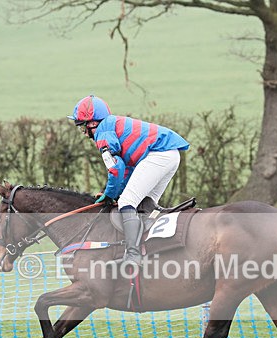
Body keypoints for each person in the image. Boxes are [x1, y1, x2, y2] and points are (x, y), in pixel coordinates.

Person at [68, 94, 190, 267]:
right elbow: (126, 170)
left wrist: (109, 194)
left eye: (82, 128)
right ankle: (149, 249)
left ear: (92, 123)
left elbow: (115, 169)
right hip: (170, 155)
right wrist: (109, 191)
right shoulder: (112, 125)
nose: (84, 134)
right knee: (145, 203)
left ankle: (133, 255)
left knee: (126, 202)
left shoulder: (103, 133)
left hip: (159, 155)